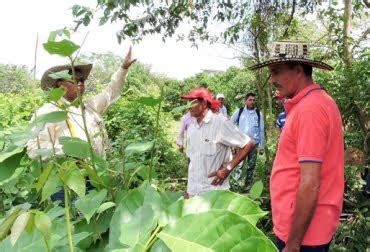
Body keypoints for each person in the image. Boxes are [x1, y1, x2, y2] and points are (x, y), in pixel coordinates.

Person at [249, 41, 344, 251]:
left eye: (276, 72)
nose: (272, 80)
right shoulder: (314, 103)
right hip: (303, 227)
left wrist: (293, 243)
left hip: (303, 235)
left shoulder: (310, 110)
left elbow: (310, 183)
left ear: (299, 70)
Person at [27, 47, 136, 160]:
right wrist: (68, 151)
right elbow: (34, 149)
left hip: (98, 172)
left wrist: (124, 68)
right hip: (69, 174)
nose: (80, 83)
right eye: (74, 80)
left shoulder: (90, 106)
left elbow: (111, 93)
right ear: (60, 84)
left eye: (82, 80)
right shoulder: (48, 112)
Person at [180, 87, 255, 198]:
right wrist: (188, 190)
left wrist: (228, 169)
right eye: (188, 102)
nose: (189, 106)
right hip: (194, 192)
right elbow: (192, 162)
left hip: (214, 192)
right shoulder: (191, 129)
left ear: (204, 103)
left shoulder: (219, 123)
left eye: (193, 102)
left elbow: (248, 144)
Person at [230, 92, 265, 190]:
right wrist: (233, 140)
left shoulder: (258, 114)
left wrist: (262, 146)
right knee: (239, 165)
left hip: (254, 145)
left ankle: (247, 186)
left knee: (251, 166)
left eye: (254, 100)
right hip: (241, 144)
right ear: (245, 101)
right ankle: (235, 186)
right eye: (250, 100)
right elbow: (230, 124)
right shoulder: (239, 111)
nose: (252, 102)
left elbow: (261, 129)